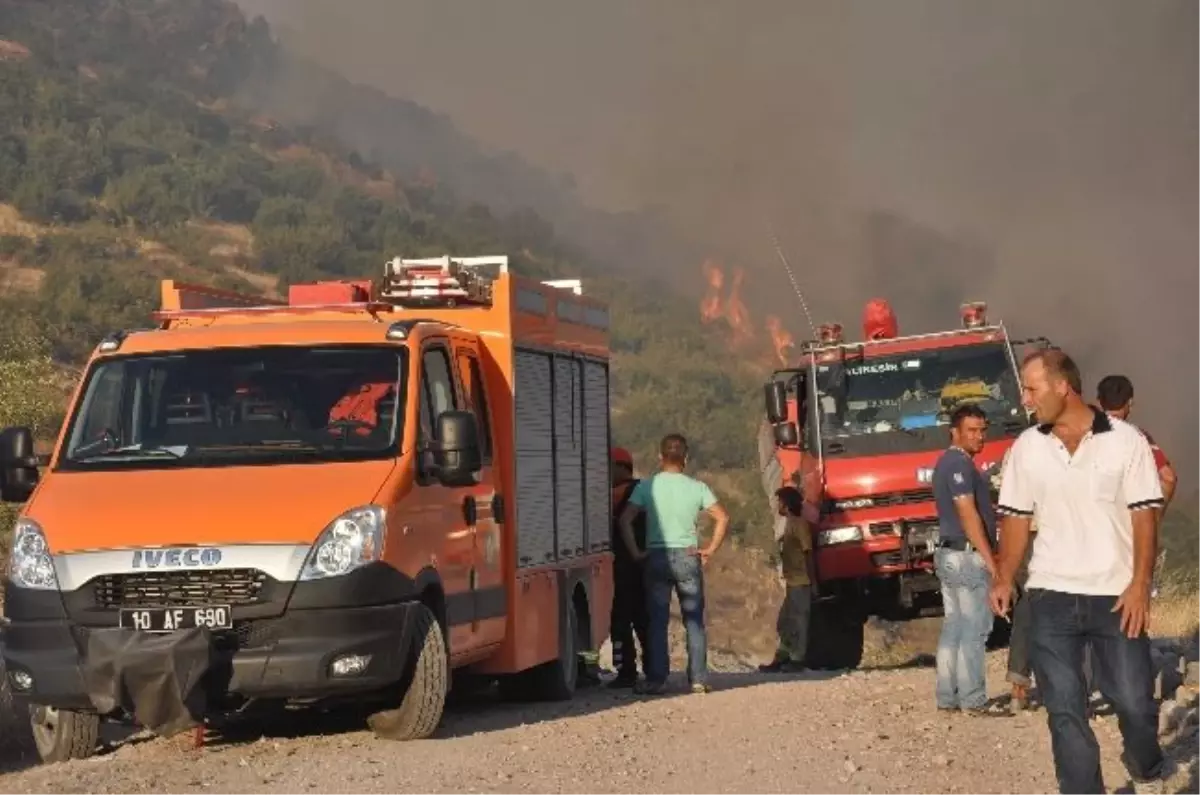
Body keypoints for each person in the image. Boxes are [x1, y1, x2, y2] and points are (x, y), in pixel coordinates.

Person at [991, 349, 1166, 794]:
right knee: (1065, 709)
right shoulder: (1026, 448)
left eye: (1032, 389)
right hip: (1050, 594)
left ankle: (1144, 758)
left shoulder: (1127, 441)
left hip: (1116, 595)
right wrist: (1004, 574)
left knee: (1133, 702)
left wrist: (1141, 584)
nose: (1025, 400)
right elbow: (1014, 519)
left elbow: (1145, 516)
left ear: (1062, 386)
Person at [618, 433, 730, 696]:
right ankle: (699, 679)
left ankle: (657, 679)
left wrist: (636, 552)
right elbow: (722, 517)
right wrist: (709, 549)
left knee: (657, 621)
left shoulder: (646, 487)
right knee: (694, 621)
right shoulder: (697, 487)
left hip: (656, 556)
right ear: (686, 458)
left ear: (660, 457)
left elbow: (624, 520)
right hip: (688, 556)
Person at [931, 403, 1006, 717]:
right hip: (966, 556)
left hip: (948, 554)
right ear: (955, 432)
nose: (979, 436)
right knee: (975, 629)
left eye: (982, 430)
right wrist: (992, 561)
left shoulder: (946, 463)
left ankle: (948, 697)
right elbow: (967, 513)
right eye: (972, 431)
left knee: (955, 627)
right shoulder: (959, 466)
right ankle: (973, 699)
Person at [758, 485, 817, 673]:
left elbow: (808, 553)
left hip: (801, 581)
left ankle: (798, 659)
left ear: (787, 504)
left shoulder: (799, 524)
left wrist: (813, 581)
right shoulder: (791, 524)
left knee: (799, 621)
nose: (778, 506)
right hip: (793, 582)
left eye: (780, 502)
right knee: (784, 621)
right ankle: (783, 656)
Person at [607, 447, 650, 688]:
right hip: (630, 566)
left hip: (629, 566)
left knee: (629, 621)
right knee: (632, 621)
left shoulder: (625, 493)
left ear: (621, 467)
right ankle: (639, 668)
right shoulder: (639, 492)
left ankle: (631, 672)